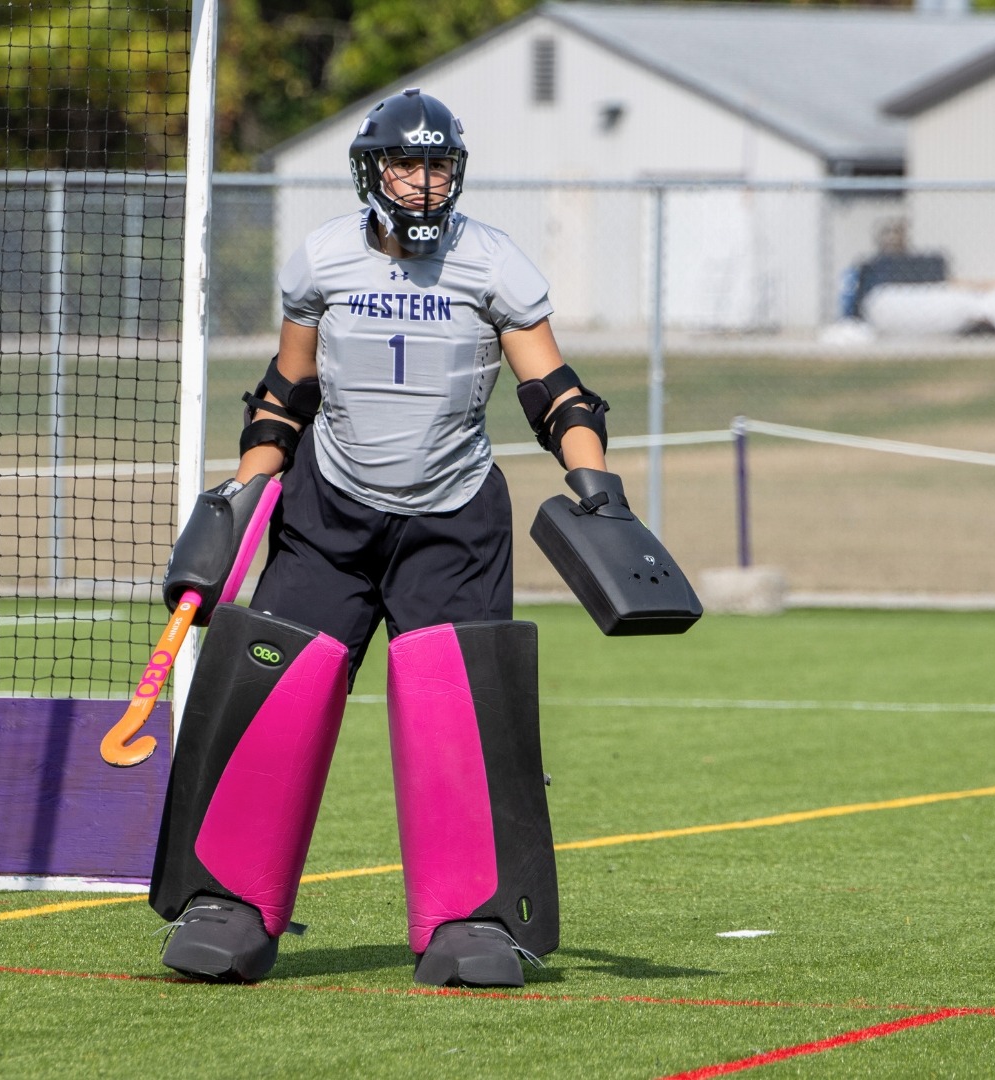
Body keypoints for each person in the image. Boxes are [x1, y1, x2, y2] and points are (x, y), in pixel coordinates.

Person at [145, 88, 628, 988]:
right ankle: (230, 902)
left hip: (453, 523)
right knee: (280, 699)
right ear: (373, 170)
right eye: (405, 164)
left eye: (438, 164)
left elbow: (555, 391)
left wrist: (593, 481)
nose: (422, 181)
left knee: (453, 710)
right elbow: (286, 395)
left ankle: (469, 918)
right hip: (330, 515)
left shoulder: (495, 264)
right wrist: (242, 500)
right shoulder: (323, 260)